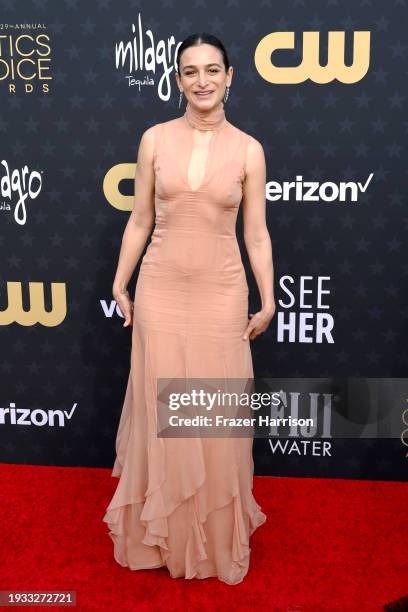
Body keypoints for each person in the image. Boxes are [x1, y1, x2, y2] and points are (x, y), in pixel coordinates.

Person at [103, 32, 276, 585]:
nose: (201, 79)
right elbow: (139, 219)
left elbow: (257, 236)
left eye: (212, 70)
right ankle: (162, 541)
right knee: (162, 413)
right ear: (177, 80)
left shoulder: (249, 149)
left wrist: (269, 298)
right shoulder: (153, 139)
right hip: (160, 291)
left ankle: (213, 541)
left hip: (222, 294)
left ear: (230, 77)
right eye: (189, 71)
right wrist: (121, 280)